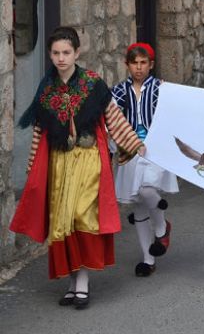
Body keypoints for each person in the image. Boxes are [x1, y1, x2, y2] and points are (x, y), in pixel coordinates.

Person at [10, 26, 144, 309]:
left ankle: (82, 282)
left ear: (77, 53)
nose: (61, 58)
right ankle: (72, 282)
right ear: (50, 54)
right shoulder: (46, 90)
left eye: (66, 52)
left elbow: (113, 118)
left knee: (83, 217)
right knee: (62, 222)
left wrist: (133, 143)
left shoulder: (93, 84)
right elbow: (39, 132)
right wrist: (34, 168)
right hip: (59, 165)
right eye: (56, 53)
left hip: (88, 163)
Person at [111, 43, 179, 277]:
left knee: (147, 188)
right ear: (127, 65)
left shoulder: (161, 89)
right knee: (138, 201)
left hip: (154, 150)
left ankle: (161, 227)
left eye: (143, 63)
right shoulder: (119, 91)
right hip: (129, 150)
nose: (138, 68)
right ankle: (148, 259)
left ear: (151, 64)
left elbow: (174, 113)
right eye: (134, 63)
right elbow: (110, 117)